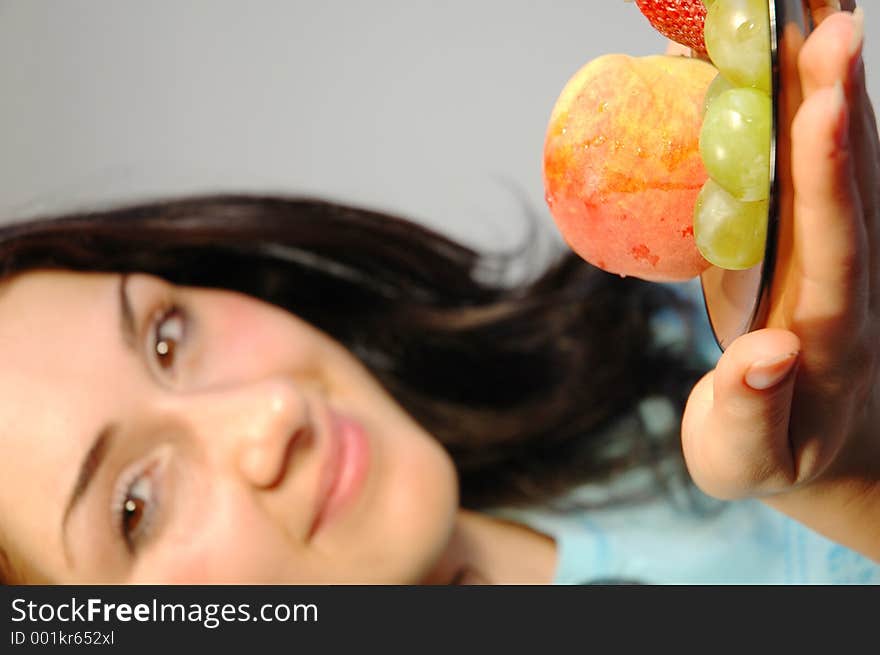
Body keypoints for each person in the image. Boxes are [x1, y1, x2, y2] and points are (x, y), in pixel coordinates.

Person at [0, 3, 877, 584]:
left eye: (165, 336)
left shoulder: (680, 335)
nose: (270, 414)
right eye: (135, 506)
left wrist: (849, 443)